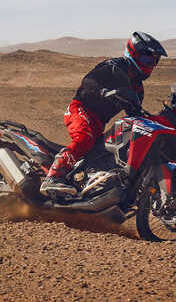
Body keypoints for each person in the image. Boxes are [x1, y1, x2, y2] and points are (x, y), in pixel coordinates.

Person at [40, 31, 168, 197]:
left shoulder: (138, 88)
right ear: (134, 53)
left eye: (154, 61)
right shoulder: (114, 66)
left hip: (98, 122)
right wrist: (105, 91)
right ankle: (53, 178)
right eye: (148, 59)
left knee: (101, 154)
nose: (151, 64)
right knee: (83, 139)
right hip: (81, 109)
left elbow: (134, 114)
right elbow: (88, 81)